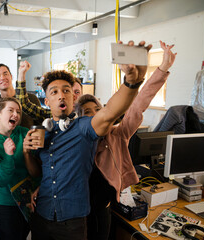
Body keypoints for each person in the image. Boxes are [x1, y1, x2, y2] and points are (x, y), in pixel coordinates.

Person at [23, 41, 152, 240]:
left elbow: (110, 112)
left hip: (72, 220)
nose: (61, 96)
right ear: (46, 101)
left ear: (74, 98)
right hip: (42, 213)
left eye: (66, 90)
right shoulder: (43, 133)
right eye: (54, 92)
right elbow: (37, 173)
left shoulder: (84, 128)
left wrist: (132, 81)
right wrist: (26, 151)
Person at [77, 40, 177, 240]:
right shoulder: (78, 139)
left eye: (98, 110)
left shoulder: (118, 134)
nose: (95, 115)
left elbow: (139, 103)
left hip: (104, 206)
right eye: (87, 113)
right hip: (77, 211)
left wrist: (163, 68)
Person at [0, 97, 31, 240]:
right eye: (10, 110)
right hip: (5, 203)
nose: (16, 114)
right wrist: (8, 156)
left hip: (29, 199)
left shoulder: (24, 133)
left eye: (18, 112)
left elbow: (38, 164)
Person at [16, 61, 83, 124]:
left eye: (77, 92)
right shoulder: (51, 115)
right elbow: (24, 104)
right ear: (47, 102)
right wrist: (21, 74)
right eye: (54, 92)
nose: (62, 96)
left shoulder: (86, 117)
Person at [0, 62, 41, 128]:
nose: (2, 78)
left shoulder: (31, 98)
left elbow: (40, 125)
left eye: (5, 74)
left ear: (11, 76)